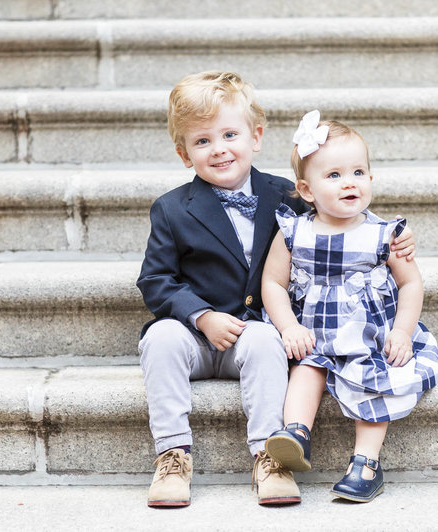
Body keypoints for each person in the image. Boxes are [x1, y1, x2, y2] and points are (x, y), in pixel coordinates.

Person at [136, 73, 416, 507]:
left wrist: (395, 239)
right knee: (159, 337)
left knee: (268, 338)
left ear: (256, 137)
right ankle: (173, 456)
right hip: (194, 333)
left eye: (230, 134)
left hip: (256, 333)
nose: (220, 148)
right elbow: (155, 280)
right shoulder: (172, 209)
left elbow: (341, 212)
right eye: (203, 141)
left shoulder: (286, 194)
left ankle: (271, 457)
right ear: (184, 154)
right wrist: (201, 316)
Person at [261, 110, 438, 503]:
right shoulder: (293, 231)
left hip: (369, 339)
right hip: (315, 334)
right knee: (308, 368)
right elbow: (272, 283)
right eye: (335, 175)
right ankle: (296, 433)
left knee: (374, 384)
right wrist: (289, 326)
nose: (350, 183)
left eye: (358, 172)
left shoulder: (386, 234)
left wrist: (402, 332)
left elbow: (411, 284)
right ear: (307, 190)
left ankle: (366, 463)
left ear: (371, 179)